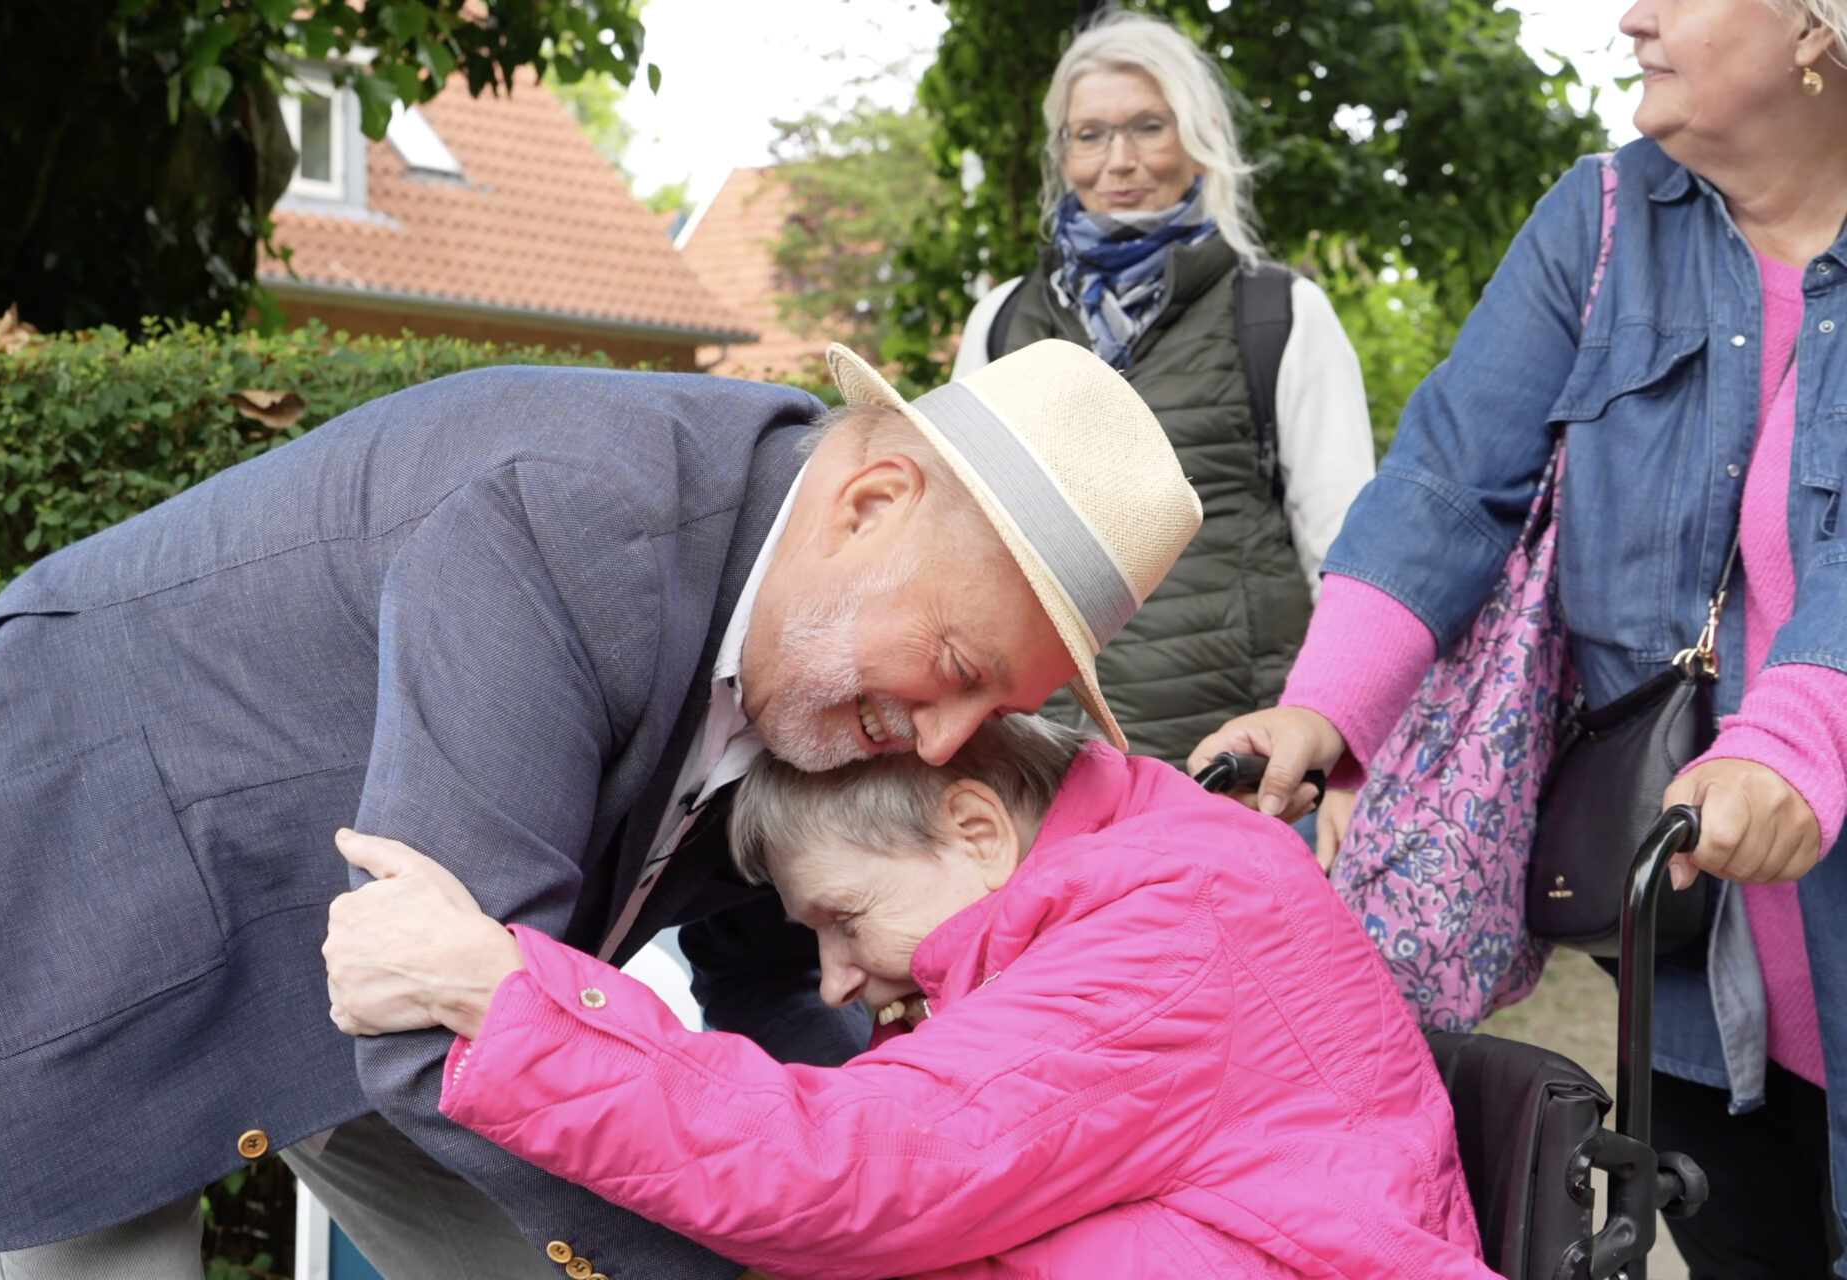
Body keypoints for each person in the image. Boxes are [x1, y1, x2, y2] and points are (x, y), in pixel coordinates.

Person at [0, 338, 1205, 1279]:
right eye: (960, 667)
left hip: (387, 969)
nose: (941, 741)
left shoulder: (825, 650)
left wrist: (878, 1199)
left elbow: (768, 984)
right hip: (76, 870)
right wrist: (747, 1258)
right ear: (872, 503)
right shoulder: (573, 519)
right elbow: (443, 1036)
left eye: (991, 708)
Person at [1197, 1, 1847, 1273]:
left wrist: (1791, 740)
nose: (1633, 16)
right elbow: (1448, 478)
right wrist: (1322, 706)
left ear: (1816, 27)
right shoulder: (1599, 220)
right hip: (1689, 961)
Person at [321, 714, 1498, 1280]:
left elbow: (848, 1166)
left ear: (976, 828)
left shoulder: (1165, 932)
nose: (837, 977)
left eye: (844, 915)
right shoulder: (1149, 880)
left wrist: (505, 998)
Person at [952, 12, 1376, 798]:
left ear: (1199, 134)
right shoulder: (1002, 322)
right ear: (1062, 152)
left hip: (1238, 768)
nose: (1119, 160)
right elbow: (960, 549)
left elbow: (1345, 549)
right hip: (1048, 769)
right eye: (1089, 135)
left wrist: (1345, 754)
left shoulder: (1278, 312)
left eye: (1149, 127)